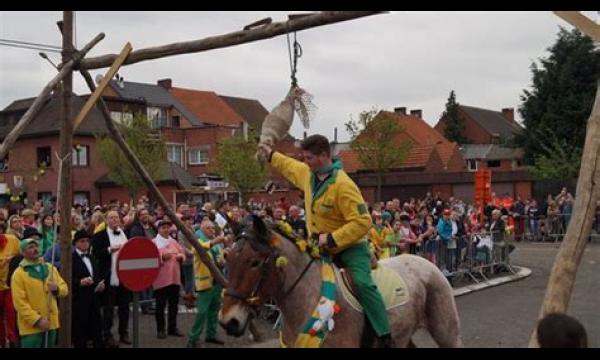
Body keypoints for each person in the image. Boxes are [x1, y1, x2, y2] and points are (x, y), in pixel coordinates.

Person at [257, 134, 394, 347]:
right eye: (304, 157)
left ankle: (384, 335)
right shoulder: (308, 174)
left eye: (309, 158)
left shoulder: (343, 184)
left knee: (363, 284)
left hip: (349, 248)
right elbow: (289, 166)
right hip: (318, 248)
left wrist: (331, 238)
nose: (305, 162)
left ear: (324, 156)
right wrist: (270, 155)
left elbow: (362, 221)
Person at [11, 237, 68, 347]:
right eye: (30, 247)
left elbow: (64, 289)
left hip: (51, 322)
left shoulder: (49, 267)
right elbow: (20, 303)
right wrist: (37, 320)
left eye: (36, 246)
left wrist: (57, 289)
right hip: (31, 328)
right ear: (23, 252)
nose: (35, 249)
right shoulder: (18, 274)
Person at [92, 210, 131, 347]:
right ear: (106, 220)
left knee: (125, 307)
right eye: (111, 217)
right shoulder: (99, 236)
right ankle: (107, 334)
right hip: (109, 276)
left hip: (124, 276)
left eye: (116, 217)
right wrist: (109, 249)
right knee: (108, 308)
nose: (114, 220)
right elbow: (95, 254)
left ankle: (123, 333)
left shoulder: (124, 233)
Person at [187, 219, 226, 348]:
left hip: (217, 282)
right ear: (202, 229)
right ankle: (193, 339)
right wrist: (216, 241)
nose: (212, 230)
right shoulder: (197, 240)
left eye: (213, 228)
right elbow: (199, 249)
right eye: (209, 228)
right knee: (202, 312)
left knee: (214, 310)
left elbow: (220, 258)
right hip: (205, 283)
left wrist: (222, 260)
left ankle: (211, 335)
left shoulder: (217, 243)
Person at [152, 219, 185, 339]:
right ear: (158, 229)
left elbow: (182, 252)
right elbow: (150, 259)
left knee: (173, 305)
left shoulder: (174, 242)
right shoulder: (154, 242)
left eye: (168, 228)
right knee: (160, 305)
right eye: (163, 228)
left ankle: (172, 328)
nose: (166, 230)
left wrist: (181, 257)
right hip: (160, 279)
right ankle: (160, 329)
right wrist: (161, 257)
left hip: (174, 278)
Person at [71, 229, 104, 348]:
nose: (85, 243)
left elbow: (96, 274)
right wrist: (80, 282)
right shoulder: (71, 259)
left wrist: (100, 283)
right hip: (79, 300)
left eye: (87, 241)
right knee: (80, 330)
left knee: (96, 327)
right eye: (82, 241)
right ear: (75, 243)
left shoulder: (91, 257)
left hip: (94, 298)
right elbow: (67, 280)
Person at [0, 229, 20, 348]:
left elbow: (22, 255)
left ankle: (13, 340)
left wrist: (13, 259)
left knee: (11, 313)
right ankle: (2, 341)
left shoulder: (12, 240)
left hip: (10, 285)